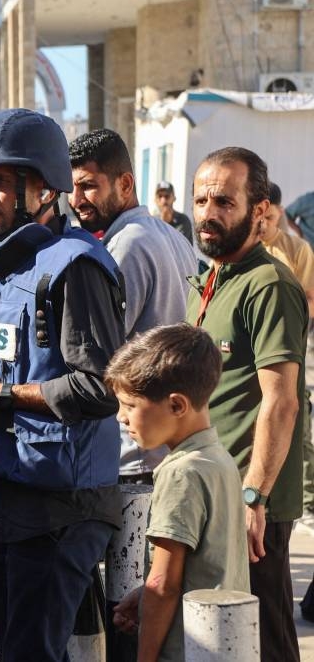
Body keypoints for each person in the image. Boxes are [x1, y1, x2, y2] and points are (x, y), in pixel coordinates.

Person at [0, 108, 126, 662]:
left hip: (65, 503)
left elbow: (100, 388)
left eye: (1, 182)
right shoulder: (3, 265)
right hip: (12, 487)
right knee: (14, 644)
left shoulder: (74, 265)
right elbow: (8, 363)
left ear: (43, 189)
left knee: (29, 651)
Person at [186, 147, 307, 662]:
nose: (208, 213)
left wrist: (254, 495)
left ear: (261, 212)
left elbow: (282, 403)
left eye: (224, 202)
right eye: (201, 200)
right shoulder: (209, 280)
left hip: (252, 502)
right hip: (214, 491)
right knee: (222, 636)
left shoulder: (270, 284)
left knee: (266, 635)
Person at [106, 324, 249, 662]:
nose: (120, 417)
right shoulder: (218, 458)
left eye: (129, 405)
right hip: (227, 642)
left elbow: (164, 586)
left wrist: (144, 657)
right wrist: (142, 596)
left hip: (188, 649)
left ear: (176, 405)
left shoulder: (180, 473)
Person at [68, 129, 197, 483]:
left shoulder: (124, 247)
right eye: (73, 188)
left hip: (135, 454)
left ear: (125, 184)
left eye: (89, 186)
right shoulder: (171, 236)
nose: (76, 199)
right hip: (168, 444)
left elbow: (101, 352)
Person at [259, 182, 314, 535]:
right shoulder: (242, 248)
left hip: (288, 351)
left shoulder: (296, 249)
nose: (262, 221)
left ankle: (306, 500)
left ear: (277, 211)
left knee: (297, 429)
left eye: (269, 215)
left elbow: (309, 300)